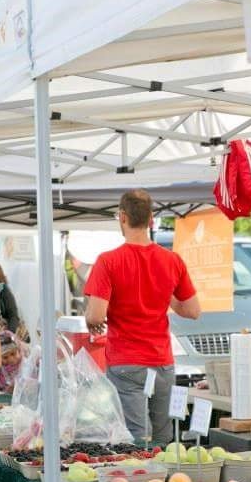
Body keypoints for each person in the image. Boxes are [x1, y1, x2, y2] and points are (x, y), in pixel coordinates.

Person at [84, 189, 201, 444]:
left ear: (122, 217)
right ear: (151, 220)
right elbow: (193, 310)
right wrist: (163, 293)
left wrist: (91, 320)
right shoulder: (172, 260)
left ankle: (141, 480)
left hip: (126, 361)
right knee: (162, 435)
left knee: (135, 436)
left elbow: (95, 315)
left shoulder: (108, 261)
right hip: (162, 362)